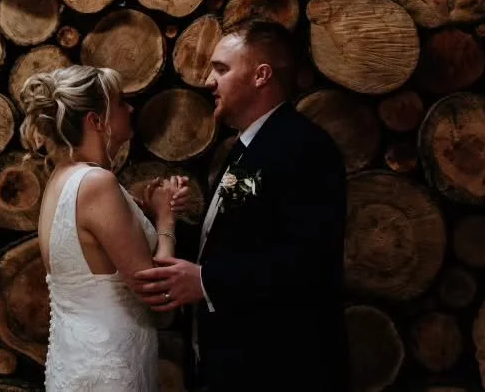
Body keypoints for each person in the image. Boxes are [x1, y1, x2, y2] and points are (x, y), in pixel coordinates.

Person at [134, 20, 349, 391]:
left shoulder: (303, 148)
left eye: (222, 69)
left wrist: (205, 281)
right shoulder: (252, 147)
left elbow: (308, 262)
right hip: (232, 363)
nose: (208, 82)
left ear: (261, 76)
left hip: (277, 367)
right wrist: (171, 216)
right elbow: (235, 235)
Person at [20, 64, 191, 392]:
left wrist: (143, 201)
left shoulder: (62, 177)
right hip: (111, 365)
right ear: (96, 121)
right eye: (121, 101)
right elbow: (154, 291)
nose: (131, 108)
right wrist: (166, 220)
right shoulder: (97, 183)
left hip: (75, 358)